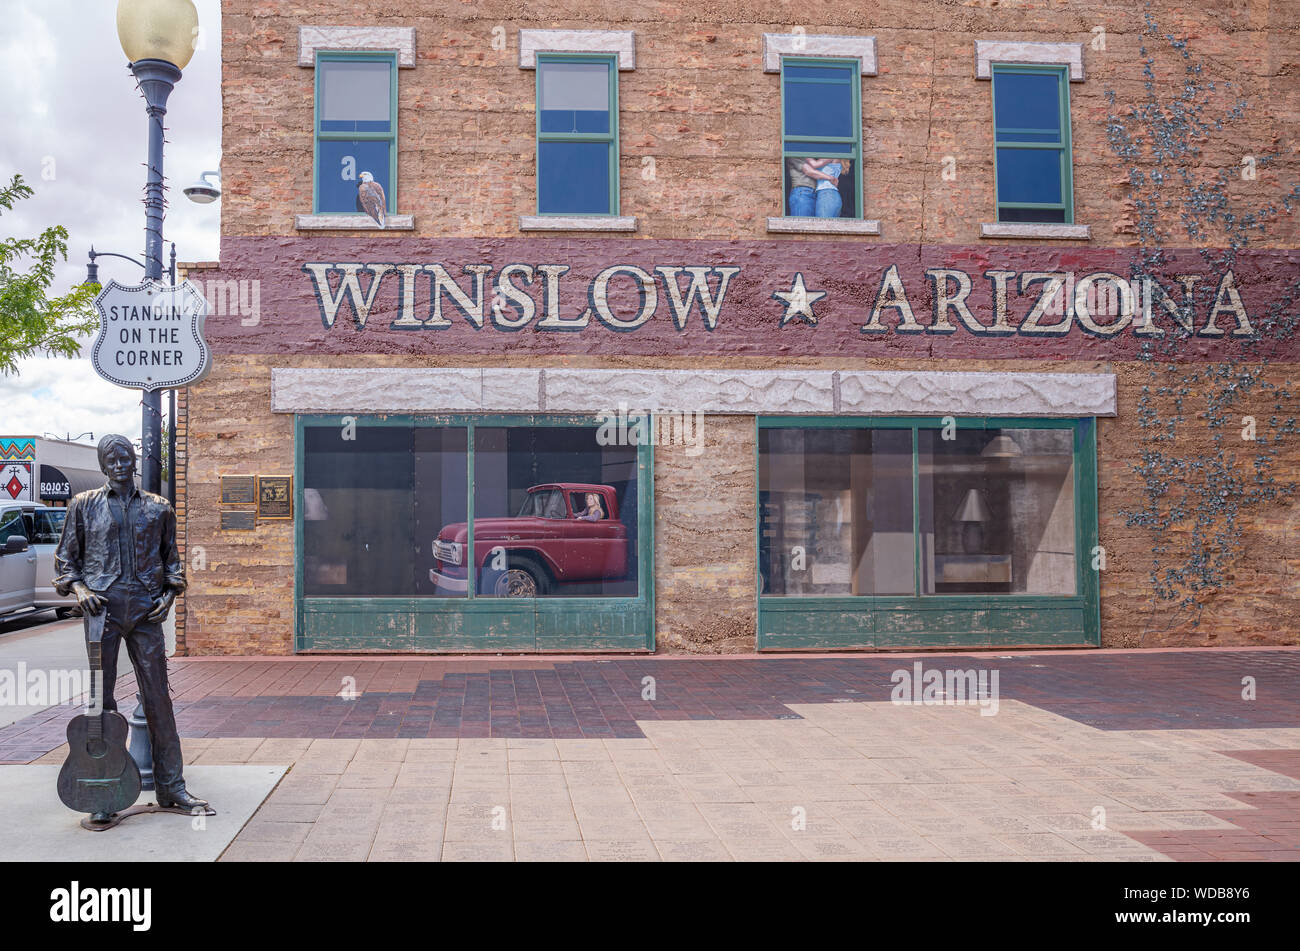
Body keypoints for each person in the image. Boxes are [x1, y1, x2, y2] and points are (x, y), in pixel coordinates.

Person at [53, 434, 208, 812]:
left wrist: (169, 598)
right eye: (112, 460)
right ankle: (103, 793)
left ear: (134, 461)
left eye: (125, 458)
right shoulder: (83, 505)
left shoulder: (159, 508)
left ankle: (172, 787)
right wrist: (79, 590)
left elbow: (173, 563)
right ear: (103, 466)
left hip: (145, 610)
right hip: (100, 611)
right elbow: (65, 562)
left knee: (158, 699)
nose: (120, 465)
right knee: (100, 704)